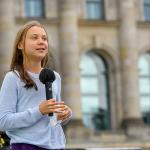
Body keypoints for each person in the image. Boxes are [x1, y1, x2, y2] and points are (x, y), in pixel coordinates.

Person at [0, 20, 72, 150]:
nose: (41, 41)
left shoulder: (55, 77)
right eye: (34, 38)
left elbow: (53, 121)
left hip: (57, 146)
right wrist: (39, 111)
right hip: (26, 146)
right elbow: (3, 121)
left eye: (44, 39)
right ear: (20, 44)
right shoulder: (13, 78)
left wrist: (64, 114)